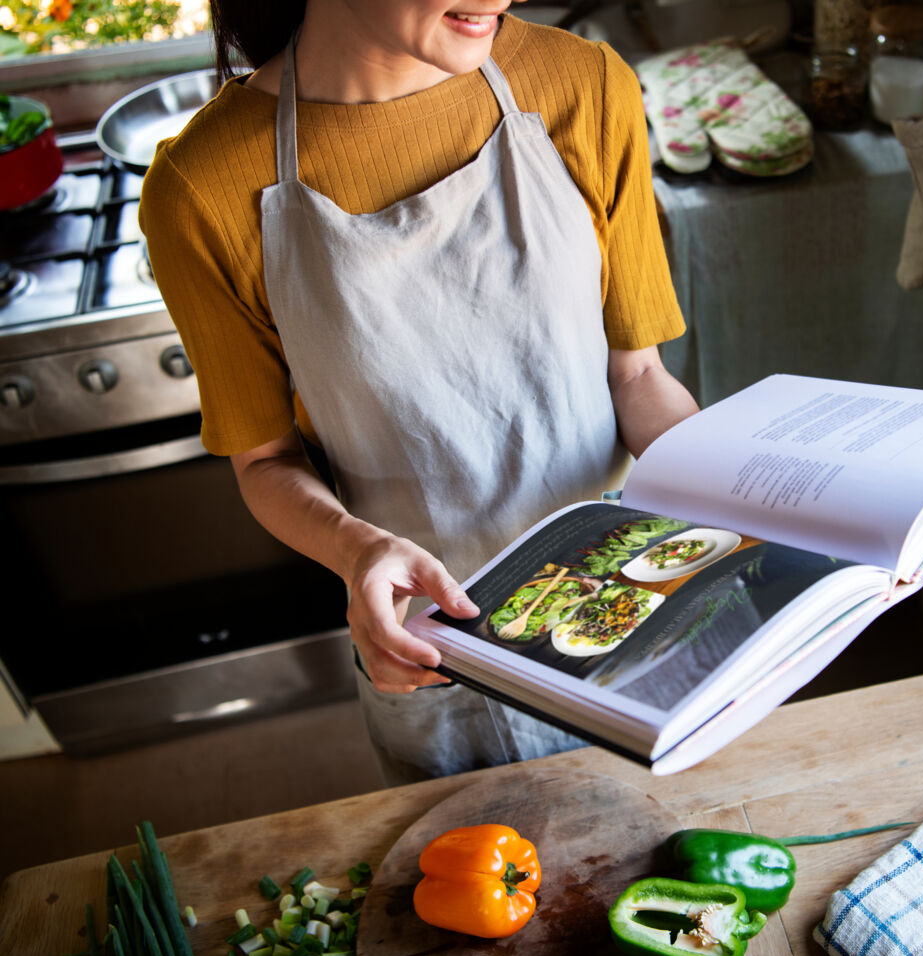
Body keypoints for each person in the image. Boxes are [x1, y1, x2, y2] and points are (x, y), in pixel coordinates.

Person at [138, 0, 698, 782]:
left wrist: (748, 501)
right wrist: (353, 547)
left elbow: (636, 375)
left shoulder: (585, 83)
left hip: (633, 594)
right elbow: (264, 460)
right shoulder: (202, 186)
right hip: (440, 649)